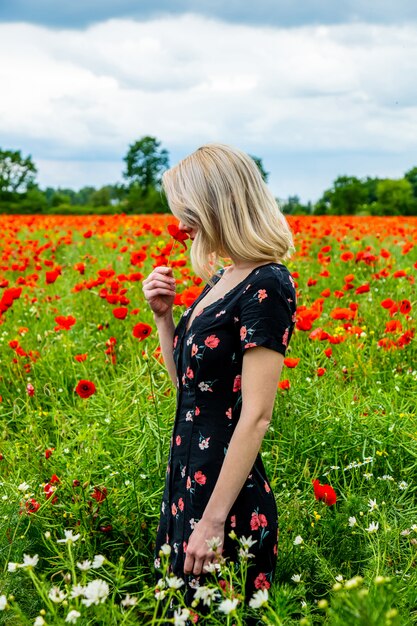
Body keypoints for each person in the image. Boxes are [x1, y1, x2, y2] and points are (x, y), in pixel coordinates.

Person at [142, 143, 297, 623]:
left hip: (225, 499)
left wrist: (212, 520)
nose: (180, 225)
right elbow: (188, 391)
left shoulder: (267, 283)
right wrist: (165, 319)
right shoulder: (224, 277)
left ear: (216, 205)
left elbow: (256, 414)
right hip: (186, 479)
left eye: (186, 212)